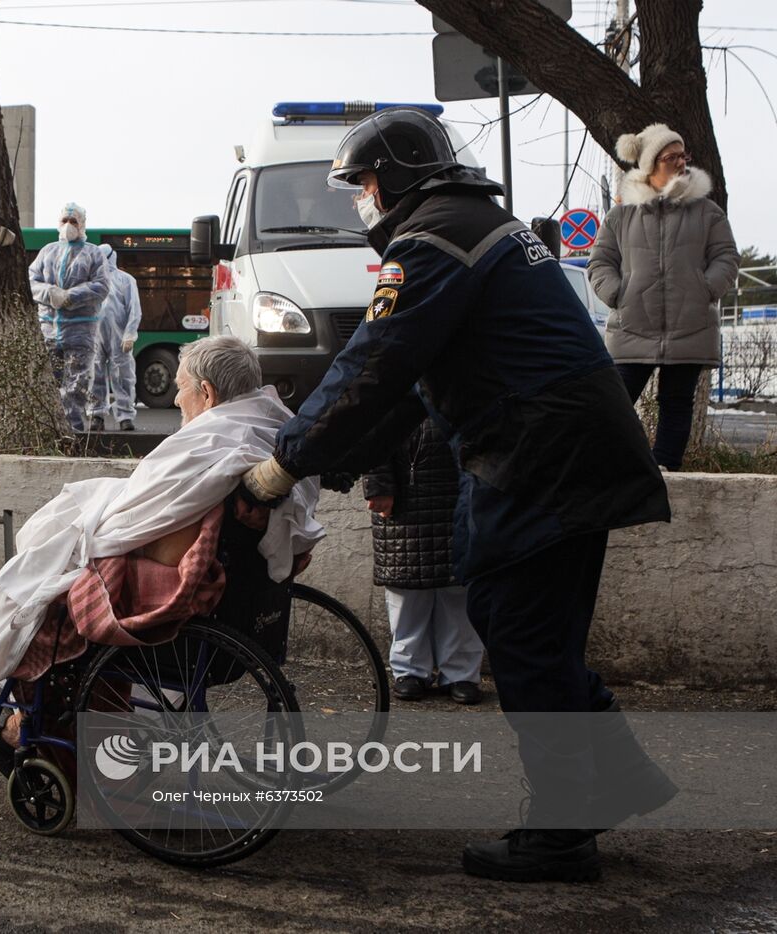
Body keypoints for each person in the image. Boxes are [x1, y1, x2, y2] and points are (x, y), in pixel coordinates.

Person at [239, 108, 674, 882]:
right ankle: (616, 779)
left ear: (398, 176)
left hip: (540, 449)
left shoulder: (431, 239)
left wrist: (287, 461)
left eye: (362, 184)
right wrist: (329, 459)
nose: (358, 200)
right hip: (571, 443)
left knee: (520, 624)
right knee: (540, 626)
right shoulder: (477, 223)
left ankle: (562, 834)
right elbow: (412, 387)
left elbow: (375, 362)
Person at [0, 337, 323, 764]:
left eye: (181, 387)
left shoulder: (209, 442)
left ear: (207, 393)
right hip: (242, 601)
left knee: (45, 595)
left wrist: (83, 530)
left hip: (176, 602)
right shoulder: (271, 427)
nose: (176, 398)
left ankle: (21, 729)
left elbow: (121, 527)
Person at [588, 123, 740, 471]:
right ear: (650, 165)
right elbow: (601, 262)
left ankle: (666, 473)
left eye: (682, 155)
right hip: (632, 325)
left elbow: (727, 257)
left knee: (676, 404)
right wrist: (616, 293)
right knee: (613, 404)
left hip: (690, 325)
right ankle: (627, 468)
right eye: (671, 157)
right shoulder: (621, 215)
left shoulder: (707, 212)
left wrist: (706, 288)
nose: (680, 163)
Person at [363, 415, 483, 705]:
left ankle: (461, 672)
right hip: (404, 490)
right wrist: (378, 484)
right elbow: (373, 424)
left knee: (458, 590)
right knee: (407, 591)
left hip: (462, 486)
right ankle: (409, 670)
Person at [28, 202, 110, 431]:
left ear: (82, 224)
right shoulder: (48, 251)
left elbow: (102, 286)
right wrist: (50, 293)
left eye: (73, 222)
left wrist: (70, 296)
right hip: (49, 329)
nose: (68, 226)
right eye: (64, 221)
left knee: (78, 382)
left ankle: (73, 429)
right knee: (47, 380)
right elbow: (31, 281)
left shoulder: (93, 253)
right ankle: (50, 428)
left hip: (80, 330)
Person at [86, 244, 142, 431]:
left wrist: (129, 335)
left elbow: (134, 310)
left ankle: (125, 416)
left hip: (119, 337)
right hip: (94, 336)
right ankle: (96, 415)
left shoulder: (126, 280)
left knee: (123, 376)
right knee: (94, 376)